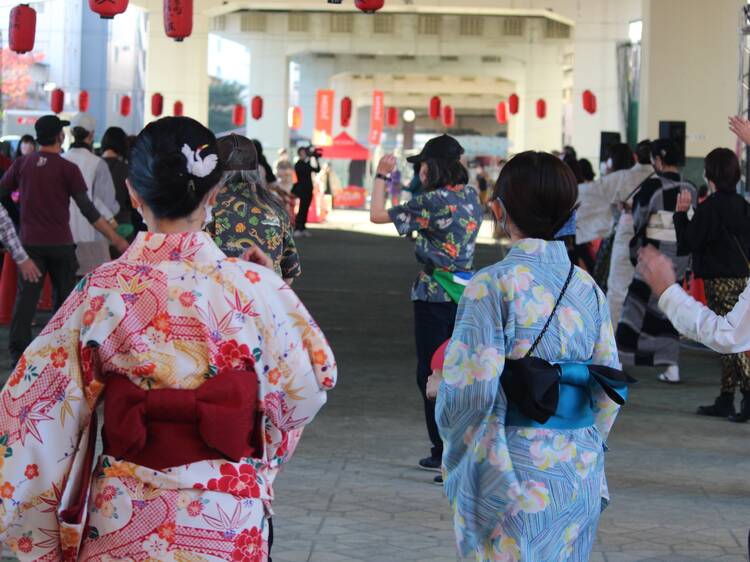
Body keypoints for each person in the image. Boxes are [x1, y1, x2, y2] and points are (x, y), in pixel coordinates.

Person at [0, 116, 336, 560]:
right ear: (214, 195)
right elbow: (306, 390)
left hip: (123, 516)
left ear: (133, 196)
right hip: (226, 516)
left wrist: (42, 537)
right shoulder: (257, 287)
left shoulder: (103, 289)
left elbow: (32, 408)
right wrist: (261, 464)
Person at [434, 151, 629, 560]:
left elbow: (471, 394)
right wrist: (579, 440)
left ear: (499, 210)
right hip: (578, 471)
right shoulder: (587, 287)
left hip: (516, 473)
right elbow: (609, 387)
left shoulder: (491, 285)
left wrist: (442, 391)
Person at [369, 134, 484, 478]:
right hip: (465, 293)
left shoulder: (433, 201)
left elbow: (376, 215)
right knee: (460, 369)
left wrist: (380, 176)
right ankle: (453, 448)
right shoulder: (470, 196)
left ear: (431, 167)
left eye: (421, 164)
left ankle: (446, 451)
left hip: (435, 293)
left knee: (432, 373)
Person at [0, 114, 128, 365]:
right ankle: (61, 356)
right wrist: (115, 238)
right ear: (59, 136)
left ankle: (19, 358)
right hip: (60, 244)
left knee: (25, 303)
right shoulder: (68, 169)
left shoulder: (22, 164)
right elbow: (89, 210)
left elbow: (2, 193)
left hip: (30, 244)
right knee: (63, 305)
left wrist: (17, 219)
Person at [671, 148, 750, 418]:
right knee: (729, 339)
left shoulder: (709, 208)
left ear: (710, 174)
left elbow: (687, 244)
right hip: (743, 278)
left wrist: (681, 215)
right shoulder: (743, 205)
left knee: (728, 339)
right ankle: (726, 397)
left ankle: (748, 395)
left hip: (719, 280)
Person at [616, 139, 696, 383]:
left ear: (658, 161)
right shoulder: (690, 187)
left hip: (655, 258)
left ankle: (619, 361)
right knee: (669, 313)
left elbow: (641, 218)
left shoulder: (652, 186)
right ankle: (671, 366)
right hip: (680, 259)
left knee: (635, 308)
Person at [210, 133, 301, 283]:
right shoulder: (275, 207)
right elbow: (288, 274)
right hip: (265, 299)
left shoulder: (205, 208)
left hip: (217, 299)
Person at [64, 112, 120, 275]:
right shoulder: (97, 164)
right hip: (92, 238)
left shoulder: (61, 159)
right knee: (91, 292)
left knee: (64, 294)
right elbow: (107, 204)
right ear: (91, 135)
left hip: (63, 238)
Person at [606, 140, 655, 325]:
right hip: (652, 237)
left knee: (618, 288)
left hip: (626, 233)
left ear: (636, 156)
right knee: (647, 289)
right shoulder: (659, 178)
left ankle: (614, 333)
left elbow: (612, 206)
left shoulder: (623, 177)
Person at [100, 126, 135, 241]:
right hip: (123, 225)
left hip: (98, 225)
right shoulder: (127, 169)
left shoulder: (93, 165)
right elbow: (133, 200)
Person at [293, 146, 320, 237]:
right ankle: (297, 228)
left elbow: (317, 169)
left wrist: (315, 158)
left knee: (305, 209)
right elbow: (304, 171)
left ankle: (303, 228)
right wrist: (310, 159)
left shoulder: (307, 163)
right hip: (302, 190)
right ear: (300, 154)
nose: (305, 154)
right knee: (301, 209)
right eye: (303, 152)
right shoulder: (299, 164)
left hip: (309, 189)